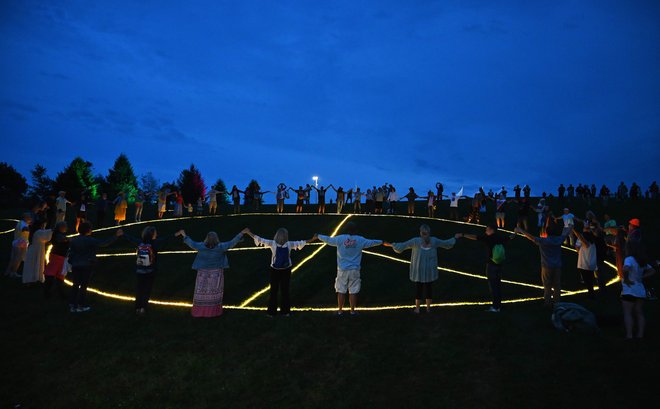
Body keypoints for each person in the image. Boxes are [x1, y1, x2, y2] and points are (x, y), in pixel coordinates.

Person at [386, 225, 457, 314]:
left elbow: (402, 245)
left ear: (420, 233)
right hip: (430, 269)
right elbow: (446, 243)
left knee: (419, 288)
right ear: (429, 233)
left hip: (419, 269)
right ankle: (428, 308)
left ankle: (417, 309)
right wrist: (455, 238)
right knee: (429, 288)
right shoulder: (434, 240)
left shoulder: (416, 241)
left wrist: (391, 244)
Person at [317, 222, 383, 315]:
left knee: (341, 290)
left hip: (342, 270)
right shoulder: (360, 239)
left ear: (346, 229)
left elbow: (329, 240)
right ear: (356, 230)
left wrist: (318, 236)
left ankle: (340, 311)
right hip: (354, 270)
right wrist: (382, 241)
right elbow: (372, 242)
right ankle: (352, 311)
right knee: (353, 290)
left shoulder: (340, 238)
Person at [179, 228, 248, 317]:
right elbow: (232, 242)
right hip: (216, 275)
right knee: (214, 293)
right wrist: (241, 233)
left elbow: (191, 243)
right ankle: (213, 312)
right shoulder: (221, 247)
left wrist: (183, 234)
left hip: (202, 274)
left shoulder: (201, 246)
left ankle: (200, 312)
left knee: (201, 293)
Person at [248, 228, 317, 316]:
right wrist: (313, 239)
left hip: (274, 270)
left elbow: (259, 239)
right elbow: (302, 242)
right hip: (286, 270)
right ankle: (285, 311)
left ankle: (271, 312)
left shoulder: (272, 243)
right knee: (285, 291)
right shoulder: (289, 244)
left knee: (273, 291)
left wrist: (249, 232)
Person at [123, 226, 183, 314]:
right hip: (150, 270)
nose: (156, 234)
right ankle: (143, 308)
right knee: (147, 290)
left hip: (139, 270)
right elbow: (166, 239)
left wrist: (124, 234)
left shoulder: (140, 242)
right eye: (155, 233)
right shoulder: (155, 243)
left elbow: (132, 239)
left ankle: (137, 308)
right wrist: (177, 234)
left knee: (139, 289)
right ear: (152, 234)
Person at [457, 224, 515, 312]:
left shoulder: (488, 238)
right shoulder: (500, 237)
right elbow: (510, 237)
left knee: (493, 286)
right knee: (498, 285)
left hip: (491, 265)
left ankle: (495, 307)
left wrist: (463, 235)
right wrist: (515, 233)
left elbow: (475, 237)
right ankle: (498, 305)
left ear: (492, 230)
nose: (485, 231)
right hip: (499, 264)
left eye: (487, 230)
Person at [68, 223, 123, 312]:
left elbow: (71, 253)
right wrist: (116, 236)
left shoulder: (74, 240)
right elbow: (103, 243)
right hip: (86, 265)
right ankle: (80, 305)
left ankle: (72, 304)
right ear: (88, 230)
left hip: (76, 265)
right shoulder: (90, 240)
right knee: (83, 286)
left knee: (75, 284)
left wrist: (71, 261)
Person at [516, 222, 567, 307]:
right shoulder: (559, 239)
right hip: (557, 266)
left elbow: (531, 237)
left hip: (546, 267)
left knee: (547, 285)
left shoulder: (543, 241)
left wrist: (521, 229)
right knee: (557, 285)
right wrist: (570, 226)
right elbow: (566, 233)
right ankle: (557, 302)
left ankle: (548, 302)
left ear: (546, 233)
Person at [621, 240, 655, 339]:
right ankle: (640, 335)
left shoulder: (629, 259)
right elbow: (652, 270)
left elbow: (625, 269)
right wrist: (642, 277)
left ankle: (629, 335)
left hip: (629, 290)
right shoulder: (641, 260)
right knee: (639, 312)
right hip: (640, 290)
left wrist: (626, 279)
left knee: (628, 313)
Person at [43, 221, 70, 299]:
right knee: (50, 275)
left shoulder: (59, 234)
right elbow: (60, 240)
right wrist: (67, 239)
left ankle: (59, 292)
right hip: (56, 257)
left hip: (62, 258)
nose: (67, 228)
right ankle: (47, 293)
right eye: (65, 226)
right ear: (61, 227)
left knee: (60, 276)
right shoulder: (57, 234)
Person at [22, 219, 53, 285]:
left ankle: (35, 278)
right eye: (44, 225)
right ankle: (32, 279)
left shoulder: (35, 231)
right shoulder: (38, 232)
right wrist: (53, 230)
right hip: (36, 251)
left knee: (35, 264)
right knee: (34, 264)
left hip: (35, 250)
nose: (45, 226)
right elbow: (47, 236)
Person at [573, 223, 598, 298]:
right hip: (591, 264)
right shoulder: (592, 242)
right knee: (590, 280)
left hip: (585, 265)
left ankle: (591, 295)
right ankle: (591, 293)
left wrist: (573, 229)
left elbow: (580, 237)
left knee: (588, 281)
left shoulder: (586, 244)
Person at [5, 213, 31, 278]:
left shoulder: (22, 223)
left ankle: (8, 272)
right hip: (20, 243)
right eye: (29, 217)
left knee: (14, 258)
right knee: (18, 258)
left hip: (18, 242)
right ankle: (13, 272)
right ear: (25, 217)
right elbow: (24, 230)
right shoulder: (22, 224)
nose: (30, 219)